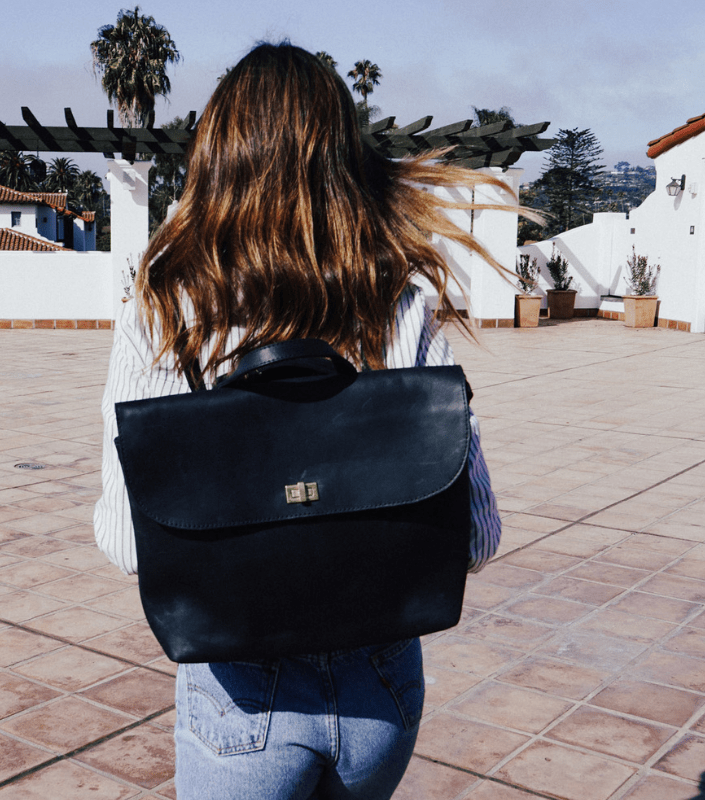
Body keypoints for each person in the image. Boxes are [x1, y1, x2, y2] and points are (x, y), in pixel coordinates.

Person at [95, 41, 508, 800]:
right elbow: (477, 537)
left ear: (217, 160)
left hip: (240, 696)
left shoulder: (163, 312)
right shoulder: (403, 302)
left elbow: (128, 545)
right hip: (381, 689)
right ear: (344, 161)